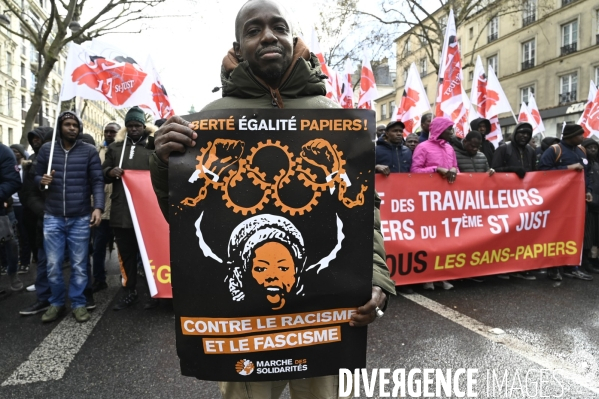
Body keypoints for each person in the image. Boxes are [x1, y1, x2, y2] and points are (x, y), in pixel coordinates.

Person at [149, 1, 396, 397]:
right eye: (253, 30)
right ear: (238, 45)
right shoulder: (207, 123)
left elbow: (362, 211)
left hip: (322, 323)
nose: (267, 36)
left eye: (277, 27)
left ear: (292, 38)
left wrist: (376, 277)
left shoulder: (335, 119)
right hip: (242, 333)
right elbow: (181, 214)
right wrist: (163, 164)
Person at [35, 111, 104, 323]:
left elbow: (97, 181)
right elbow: (35, 176)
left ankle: (78, 303)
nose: (72, 128)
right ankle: (56, 303)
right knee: (53, 265)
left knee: (79, 264)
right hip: (53, 216)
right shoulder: (47, 150)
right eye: (67, 124)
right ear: (60, 127)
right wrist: (42, 180)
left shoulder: (89, 151)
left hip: (80, 217)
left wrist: (98, 208)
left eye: (75, 125)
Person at [103, 107, 156, 311]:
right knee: (126, 255)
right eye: (130, 126)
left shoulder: (153, 146)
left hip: (147, 212)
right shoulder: (116, 148)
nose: (134, 129)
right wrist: (110, 170)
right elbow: (102, 172)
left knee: (148, 256)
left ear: (144, 126)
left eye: (137, 125)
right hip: (122, 211)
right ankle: (129, 290)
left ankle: (152, 292)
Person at [539, 123, 593, 282]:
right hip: (558, 202)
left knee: (575, 233)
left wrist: (588, 190)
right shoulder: (554, 150)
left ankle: (573, 267)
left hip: (577, 202)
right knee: (556, 233)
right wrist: (568, 167)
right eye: (580, 135)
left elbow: (586, 173)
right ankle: (553, 268)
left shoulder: (582, 150)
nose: (583, 137)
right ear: (570, 136)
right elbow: (542, 172)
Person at [411, 116, 458, 290]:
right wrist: (436, 169)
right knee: (429, 239)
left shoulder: (450, 149)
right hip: (427, 201)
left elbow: (456, 169)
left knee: (445, 239)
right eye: (449, 129)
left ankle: (442, 275)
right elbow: (414, 171)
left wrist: (454, 169)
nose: (452, 132)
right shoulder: (423, 147)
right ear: (439, 130)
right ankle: (427, 277)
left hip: (446, 202)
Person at [491, 122, 537, 280]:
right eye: (521, 133)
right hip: (505, 200)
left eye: (528, 134)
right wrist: (512, 170)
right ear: (515, 133)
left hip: (524, 199)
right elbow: (493, 170)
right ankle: (503, 267)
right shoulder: (504, 149)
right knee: (506, 234)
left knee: (522, 234)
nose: (524, 136)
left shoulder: (531, 151)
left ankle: (520, 266)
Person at [19, 128, 55, 314]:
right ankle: (44, 298)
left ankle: (80, 298)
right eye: (32, 139)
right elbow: (28, 193)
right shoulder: (33, 162)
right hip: (45, 219)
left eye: (39, 139)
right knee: (44, 260)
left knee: (78, 262)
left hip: (72, 217)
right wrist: (45, 212)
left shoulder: (66, 156)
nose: (36, 142)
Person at [91, 122, 120, 293]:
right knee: (98, 246)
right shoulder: (97, 152)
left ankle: (127, 278)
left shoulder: (123, 151)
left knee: (125, 248)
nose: (109, 134)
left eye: (113, 132)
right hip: (101, 206)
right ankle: (99, 278)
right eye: (107, 131)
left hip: (119, 206)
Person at [0, 143, 23, 294]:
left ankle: (12, 273)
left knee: (10, 243)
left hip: (2, 210)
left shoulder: (3, 152)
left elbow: (13, 181)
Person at [9, 144, 31, 274]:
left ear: (22, 153)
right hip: (11, 206)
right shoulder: (8, 167)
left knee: (24, 234)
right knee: (11, 235)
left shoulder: (27, 167)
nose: (14, 153)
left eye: (17, 151)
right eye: (12, 151)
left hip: (23, 205)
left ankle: (25, 261)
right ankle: (11, 262)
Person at [582, 138, 599, 274]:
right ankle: (585, 262)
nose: (593, 150)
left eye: (595, 147)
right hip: (587, 204)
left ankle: (592, 259)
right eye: (590, 147)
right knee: (588, 234)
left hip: (597, 205)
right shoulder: (583, 164)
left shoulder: (596, 165)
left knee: (595, 235)